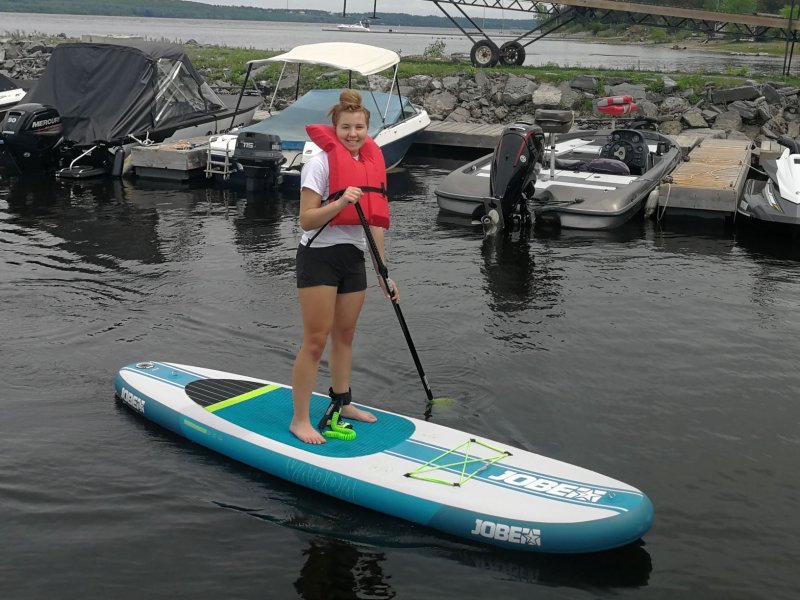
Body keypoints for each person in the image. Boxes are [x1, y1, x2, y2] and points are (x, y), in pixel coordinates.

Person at [289, 89, 399, 445]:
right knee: (316, 341)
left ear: (368, 129)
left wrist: (384, 273)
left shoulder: (371, 165)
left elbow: (375, 224)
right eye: (346, 127)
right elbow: (306, 220)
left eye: (360, 128)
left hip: (352, 259)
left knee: (346, 337)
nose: (353, 134)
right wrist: (339, 203)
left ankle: (343, 402)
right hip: (319, 256)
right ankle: (300, 419)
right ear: (334, 128)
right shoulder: (319, 164)